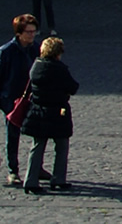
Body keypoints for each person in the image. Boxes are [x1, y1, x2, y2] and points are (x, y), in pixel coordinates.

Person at [0, 13, 40, 186]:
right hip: (11, 99)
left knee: (38, 133)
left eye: (34, 31)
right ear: (19, 33)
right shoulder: (6, 51)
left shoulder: (36, 49)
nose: (32, 35)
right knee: (13, 135)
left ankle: (36, 167)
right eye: (29, 32)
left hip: (32, 98)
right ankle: (13, 170)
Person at [21, 36, 78, 195]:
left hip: (38, 110)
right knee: (61, 145)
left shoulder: (36, 66)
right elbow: (72, 87)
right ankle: (58, 179)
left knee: (37, 145)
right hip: (57, 111)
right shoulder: (59, 69)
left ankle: (30, 180)